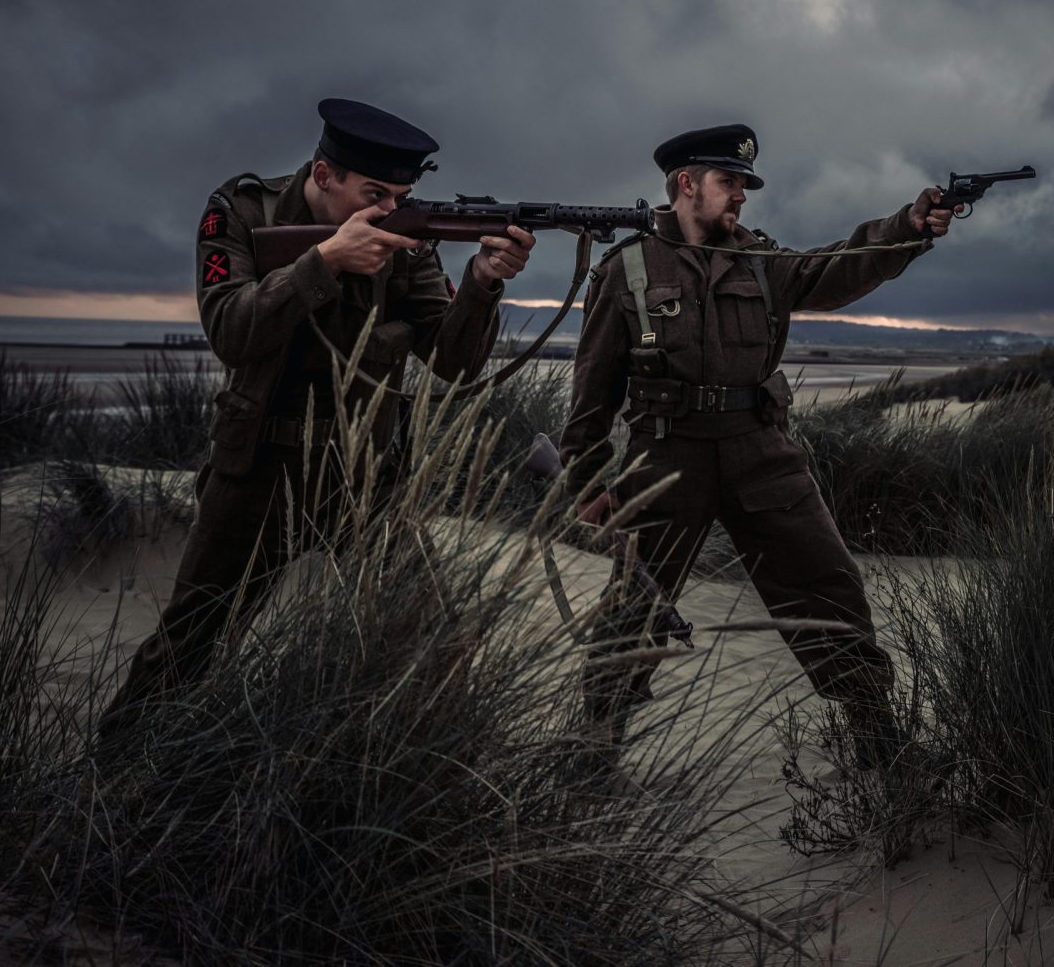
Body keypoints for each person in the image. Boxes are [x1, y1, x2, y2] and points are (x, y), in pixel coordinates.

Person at [99, 98, 533, 738]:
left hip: (368, 477)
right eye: (374, 193)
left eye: (401, 195)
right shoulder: (244, 212)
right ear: (324, 174)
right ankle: (119, 768)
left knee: (434, 635)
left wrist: (483, 282)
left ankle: (410, 777)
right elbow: (230, 329)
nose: (388, 211)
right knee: (193, 638)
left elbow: (453, 362)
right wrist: (325, 261)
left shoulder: (405, 238)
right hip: (259, 471)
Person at [558, 122, 960, 768]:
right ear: (686, 184)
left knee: (828, 586)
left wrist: (907, 229)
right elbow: (592, 389)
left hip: (760, 450)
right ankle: (595, 748)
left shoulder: (764, 260)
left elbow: (839, 266)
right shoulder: (626, 268)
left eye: (744, 183)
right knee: (634, 607)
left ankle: (877, 736)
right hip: (664, 457)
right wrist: (583, 481)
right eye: (729, 181)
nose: (741, 194)